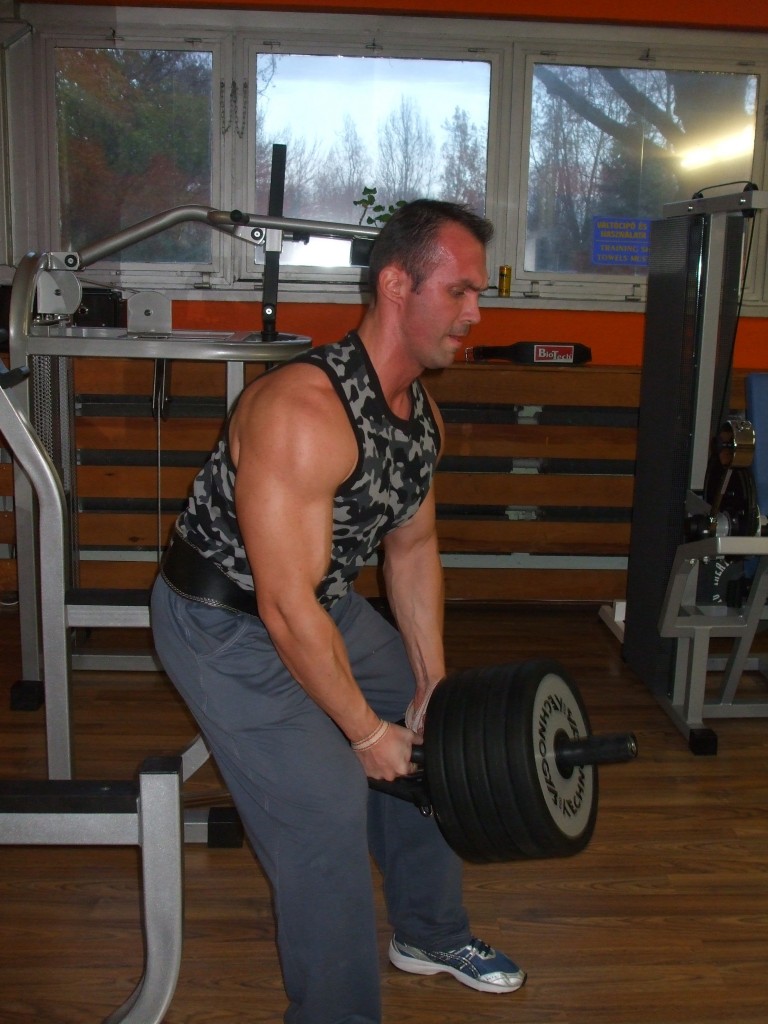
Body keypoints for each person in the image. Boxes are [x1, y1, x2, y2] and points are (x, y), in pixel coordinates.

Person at [150, 198, 525, 1024]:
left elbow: (413, 551)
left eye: (478, 293)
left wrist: (430, 686)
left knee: (439, 737)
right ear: (396, 285)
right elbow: (282, 608)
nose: (476, 313)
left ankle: (429, 932)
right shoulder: (303, 411)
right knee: (323, 809)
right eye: (459, 291)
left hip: (321, 605)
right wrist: (363, 732)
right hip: (223, 623)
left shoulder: (420, 416)